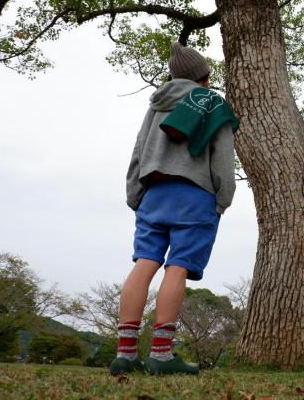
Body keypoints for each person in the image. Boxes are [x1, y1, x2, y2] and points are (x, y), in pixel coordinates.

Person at [110, 41, 238, 376]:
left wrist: (135, 195)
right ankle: (161, 355)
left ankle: (126, 353)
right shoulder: (213, 103)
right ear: (204, 77)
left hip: (153, 194)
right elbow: (223, 158)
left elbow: (138, 151)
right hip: (195, 197)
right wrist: (223, 199)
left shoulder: (156, 105)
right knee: (177, 268)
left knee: (144, 263)